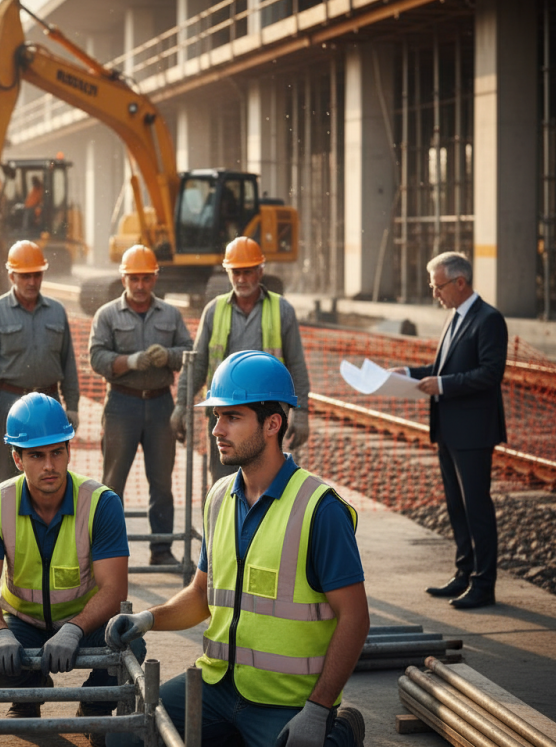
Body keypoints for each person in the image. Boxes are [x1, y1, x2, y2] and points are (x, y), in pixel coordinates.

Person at [105, 351, 368, 747]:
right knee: (121, 739)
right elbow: (201, 595)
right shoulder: (218, 497)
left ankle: (341, 730)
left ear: (272, 424)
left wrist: (317, 709)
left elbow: (355, 618)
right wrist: (147, 619)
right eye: (216, 417)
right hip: (216, 688)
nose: (216, 430)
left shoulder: (320, 509)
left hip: (286, 701)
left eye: (232, 417)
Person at [0, 393, 145, 745]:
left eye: (57, 452)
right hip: (23, 623)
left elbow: (114, 590)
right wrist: (0, 633)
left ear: (68, 450)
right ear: (17, 458)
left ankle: (93, 707)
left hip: (86, 623)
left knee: (131, 645)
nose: (49, 465)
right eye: (36, 455)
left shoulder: (101, 503)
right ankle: (29, 694)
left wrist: (75, 629)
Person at [391, 251, 507, 610]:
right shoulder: (455, 317)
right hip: (449, 429)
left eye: (438, 286)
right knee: (457, 506)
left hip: (473, 433)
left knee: (477, 508)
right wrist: (408, 373)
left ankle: (483, 584)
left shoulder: (488, 320)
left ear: (460, 282)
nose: (434, 294)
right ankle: (463, 573)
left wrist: (441, 385)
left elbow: (489, 373)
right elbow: (442, 366)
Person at [172, 236, 311, 483]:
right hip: (225, 413)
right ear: (228, 272)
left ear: (260, 271)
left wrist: (301, 413)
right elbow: (197, 365)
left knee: (267, 483)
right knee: (223, 484)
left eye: (248, 272)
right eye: (236, 272)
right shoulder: (215, 310)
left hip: (267, 417)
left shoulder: (282, 310)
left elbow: (297, 366)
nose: (241, 279)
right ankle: (225, 523)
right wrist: (181, 406)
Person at [89, 245, 193, 566]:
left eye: (146, 278)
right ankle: (107, 555)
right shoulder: (107, 315)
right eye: (133, 278)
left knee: (161, 483)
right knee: (112, 482)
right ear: (123, 278)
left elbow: (189, 353)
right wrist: (130, 361)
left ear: (155, 278)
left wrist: (170, 356)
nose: (140, 285)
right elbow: (96, 356)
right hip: (122, 404)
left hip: (161, 404)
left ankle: (161, 550)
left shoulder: (171, 315)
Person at [0, 239, 80, 489]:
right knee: (4, 478)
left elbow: (68, 363)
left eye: (37, 275)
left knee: (49, 477)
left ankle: (43, 527)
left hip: (50, 403)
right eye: (25, 276)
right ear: (11, 275)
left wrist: (72, 406)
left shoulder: (57, 312)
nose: (32, 282)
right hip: (9, 402)